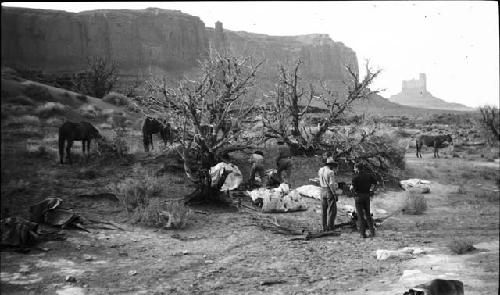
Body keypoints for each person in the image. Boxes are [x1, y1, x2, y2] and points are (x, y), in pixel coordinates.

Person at [351, 163, 378, 238]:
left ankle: (363, 234)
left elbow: (352, 188)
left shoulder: (355, 177)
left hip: (358, 197)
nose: (354, 170)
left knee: (360, 216)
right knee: (368, 215)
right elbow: (376, 183)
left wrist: (354, 195)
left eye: (355, 168)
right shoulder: (369, 176)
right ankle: (372, 232)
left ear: (357, 168)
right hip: (367, 196)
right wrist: (372, 191)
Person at [318, 158, 339, 231]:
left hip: (322, 190)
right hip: (328, 190)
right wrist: (334, 193)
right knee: (332, 210)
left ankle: (324, 226)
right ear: (331, 165)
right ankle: (330, 226)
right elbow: (331, 184)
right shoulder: (330, 172)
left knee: (323, 210)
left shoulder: (321, 170)